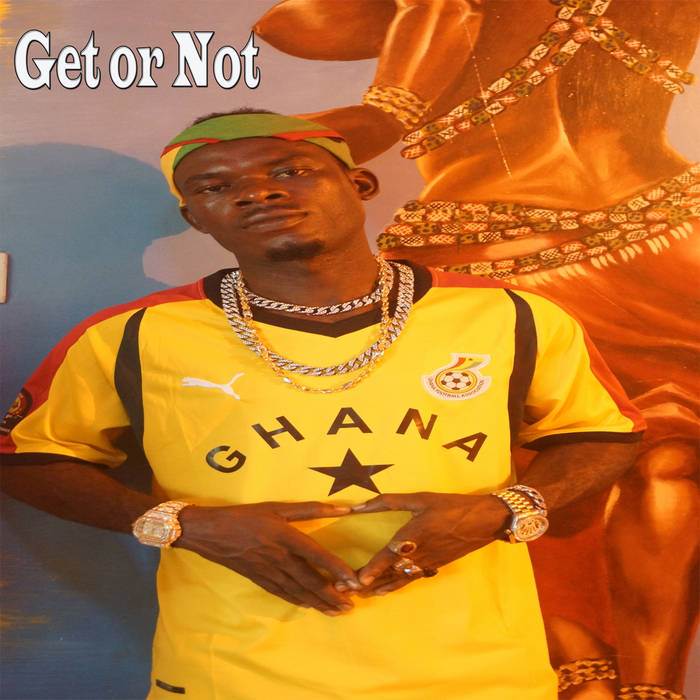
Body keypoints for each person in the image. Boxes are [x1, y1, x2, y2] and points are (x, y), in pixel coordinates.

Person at [1, 111, 644, 699]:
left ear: (359, 184)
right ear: (196, 218)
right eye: (215, 186)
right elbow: (26, 458)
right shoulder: (132, 334)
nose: (257, 193)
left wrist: (505, 509)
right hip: (233, 678)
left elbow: (601, 433)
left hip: (480, 676)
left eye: (289, 171)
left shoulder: (508, 314)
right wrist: (181, 524)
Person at [253, 1, 700, 696]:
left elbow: (301, 38)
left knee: (484, 470)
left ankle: (579, 665)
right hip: (672, 236)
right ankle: (647, 682)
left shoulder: (438, 9)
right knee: (669, 461)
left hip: (492, 258)